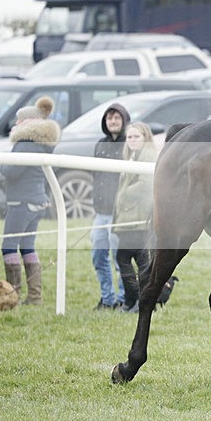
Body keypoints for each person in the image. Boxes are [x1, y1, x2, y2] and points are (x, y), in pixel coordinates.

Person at [0, 97, 60, 305]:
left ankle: (11, 295)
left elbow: (12, 171)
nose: (16, 124)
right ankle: (35, 296)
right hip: (37, 201)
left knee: (9, 247)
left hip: (21, 203)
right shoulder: (41, 143)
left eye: (19, 120)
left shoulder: (25, 144)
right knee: (27, 247)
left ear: (28, 122)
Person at [113, 122, 158, 313]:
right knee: (124, 257)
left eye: (136, 137)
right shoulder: (131, 156)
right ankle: (132, 300)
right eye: (129, 137)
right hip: (128, 217)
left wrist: (124, 195)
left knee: (137, 260)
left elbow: (146, 184)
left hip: (139, 218)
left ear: (145, 137)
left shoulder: (147, 155)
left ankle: (140, 300)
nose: (132, 140)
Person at [91, 103, 131, 310]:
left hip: (120, 215)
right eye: (109, 118)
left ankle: (124, 299)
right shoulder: (100, 145)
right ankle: (107, 299)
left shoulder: (129, 145)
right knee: (98, 257)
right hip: (101, 213)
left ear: (124, 120)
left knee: (119, 259)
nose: (113, 121)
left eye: (117, 118)